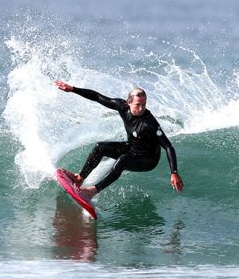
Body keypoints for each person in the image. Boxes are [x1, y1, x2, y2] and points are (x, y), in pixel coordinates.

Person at [55, 80, 184, 198]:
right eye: (138, 105)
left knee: (122, 160)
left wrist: (174, 172)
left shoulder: (149, 123)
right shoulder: (121, 107)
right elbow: (98, 97)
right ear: (128, 102)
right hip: (132, 148)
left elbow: (168, 146)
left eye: (144, 104)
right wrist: (72, 89)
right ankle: (79, 178)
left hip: (148, 159)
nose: (141, 108)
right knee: (100, 147)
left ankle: (93, 191)